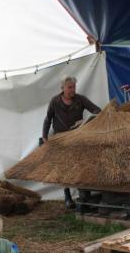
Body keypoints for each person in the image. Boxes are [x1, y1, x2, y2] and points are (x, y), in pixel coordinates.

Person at [42, 76, 101, 208]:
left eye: (74, 87)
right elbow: (48, 119)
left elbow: (97, 110)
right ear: (63, 88)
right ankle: (67, 196)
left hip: (76, 138)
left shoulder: (80, 99)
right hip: (61, 139)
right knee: (65, 168)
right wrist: (45, 137)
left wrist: (88, 122)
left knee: (81, 165)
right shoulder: (55, 101)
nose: (72, 90)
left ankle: (85, 194)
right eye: (69, 87)